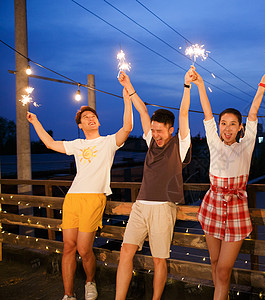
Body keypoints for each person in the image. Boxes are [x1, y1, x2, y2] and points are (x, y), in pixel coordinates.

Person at [27, 82, 133, 300]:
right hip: (73, 198)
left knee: (84, 249)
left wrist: (127, 99)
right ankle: (68, 294)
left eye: (93, 116)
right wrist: (35, 121)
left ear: (98, 121)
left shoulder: (108, 142)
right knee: (68, 247)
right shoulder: (77, 144)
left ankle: (89, 281)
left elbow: (127, 128)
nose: (90, 118)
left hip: (94, 199)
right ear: (81, 126)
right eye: (85, 118)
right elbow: (48, 143)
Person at [193, 66, 265, 300]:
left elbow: (253, 114)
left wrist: (262, 85)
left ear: (240, 128)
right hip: (213, 204)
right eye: (223, 123)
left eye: (232, 124)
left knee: (224, 268)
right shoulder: (215, 143)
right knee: (215, 261)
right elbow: (207, 114)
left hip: (237, 208)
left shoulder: (246, 145)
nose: (227, 128)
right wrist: (200, 84)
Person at [115, 68, 193, 300]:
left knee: (159, 259)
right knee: (125, 251)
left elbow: (185, 114)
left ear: (171, 130)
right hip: (140, 205)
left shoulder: (180, 145)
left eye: (160, 131)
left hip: (163, 207)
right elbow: (141, 109)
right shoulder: (150, 141)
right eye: (153, 130)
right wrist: (129, 86)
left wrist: (186, 86)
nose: (155, 134)